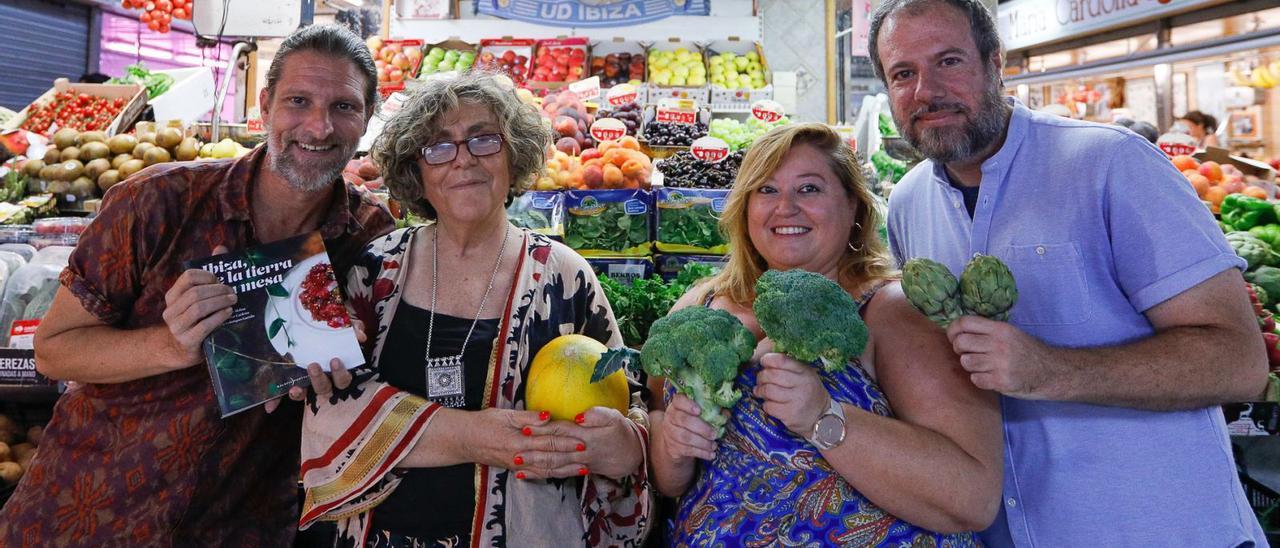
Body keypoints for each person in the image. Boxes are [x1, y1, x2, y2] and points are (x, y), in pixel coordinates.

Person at [870, 0, 1269, 545]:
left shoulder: (1111, 165)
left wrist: (1047, 370)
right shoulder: (908, 204)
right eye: (903, 73)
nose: (926, 91)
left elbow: (1239, 363)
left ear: (994, 63)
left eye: (949, 62)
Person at [0, 25, 395, 545]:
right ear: (266, 105)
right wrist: (168, 344)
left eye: (344, 107)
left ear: (368, 118)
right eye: (299, 101)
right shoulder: (155, 203)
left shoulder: (369, 235)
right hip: (92, 511)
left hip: (241, 521)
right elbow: (53, 352)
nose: (319, 127)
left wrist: (331, 373)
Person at [296, 72, 652, 547]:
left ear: (513, 155)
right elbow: (334, 402)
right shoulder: (376, 268)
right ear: (415, 170)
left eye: (483, 140)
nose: (463, 160)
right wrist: (474, 436)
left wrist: (621, 445)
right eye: (438, 147)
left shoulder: (564, 277)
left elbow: (630, 410)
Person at [647, 123, 1003, 546]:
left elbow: (971, 498)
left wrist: (823, 416)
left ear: (853, 205)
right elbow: (667, 473)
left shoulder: (893, 312)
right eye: (766, 190)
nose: (786, 208)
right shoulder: (699, 305)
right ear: (744, 208)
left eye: (809, 189)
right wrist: (671, 447)